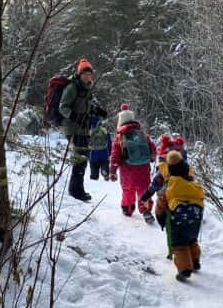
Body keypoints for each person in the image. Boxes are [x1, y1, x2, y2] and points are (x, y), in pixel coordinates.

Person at [58, 58, 107, 201]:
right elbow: (63, 107)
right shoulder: (72, 87)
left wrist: (97, 111)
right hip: (73, 129)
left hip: (83, 129)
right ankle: (76, 190)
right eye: (85, 74)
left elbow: (86, 106)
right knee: (80, 159)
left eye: (90, 74)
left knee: (82, 159)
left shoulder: (86, 89)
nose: (88, 76)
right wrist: (76, 117)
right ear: (79, 74)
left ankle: (77, 189)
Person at [161, 150, 204, 281]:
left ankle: (185, 269)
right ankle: (195, 261)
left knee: (180, 244)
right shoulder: (190, 177)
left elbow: (162, 203)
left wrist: (160, 217)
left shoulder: (170, 183)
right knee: (192, 239)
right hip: (196, 214)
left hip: (178, 217)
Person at [109, 104, 156, 222]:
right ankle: (146, 210)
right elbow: (153, 150)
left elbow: (115, 157)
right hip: (143, 169)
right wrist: (151, 159)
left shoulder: (119, 138)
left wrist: (112, 172)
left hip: (127, 171)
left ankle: (128, 210)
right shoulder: (142, 134)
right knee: (143, 190)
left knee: (128, 191)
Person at [142, 134, 187, 230]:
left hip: (166, 203)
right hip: (184, 203)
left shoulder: (164, 170)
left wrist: (146, 196)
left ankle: (168, 227)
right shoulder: (187, 170)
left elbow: (154, 185)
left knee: (172, 230)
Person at [87, 116, 112, 181]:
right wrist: (109, 152)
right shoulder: (103, 128)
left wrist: (87, 154)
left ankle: (94, 176)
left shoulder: (88, 128)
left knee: (93, 166)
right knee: (104, 163)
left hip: (93, 155)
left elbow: (86, 142)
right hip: (103, 153)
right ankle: (105, 173)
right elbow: (108, 140)